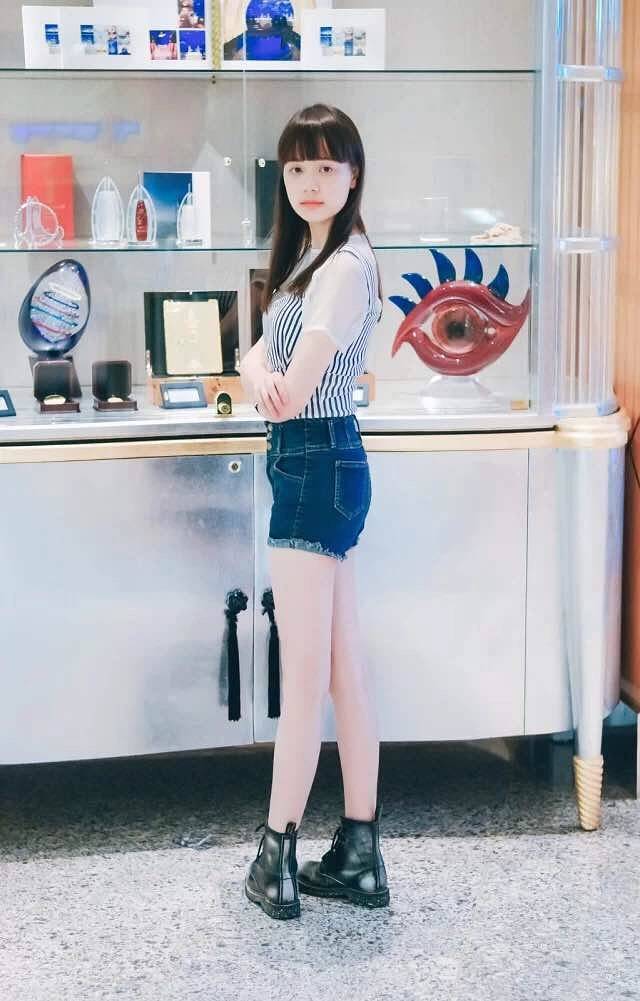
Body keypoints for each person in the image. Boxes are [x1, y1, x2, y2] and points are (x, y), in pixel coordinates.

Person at [239, 104, 389, 921]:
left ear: (353, 174)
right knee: (339, 666)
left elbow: (288, 388)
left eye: (326, 167)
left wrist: (267, 378)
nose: (309, 182)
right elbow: (255, 354)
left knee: (305, 676)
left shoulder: (341, 267)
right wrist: (261, 369)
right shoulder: (315, 254)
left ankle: (277, 855)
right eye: (296, 168)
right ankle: (359, 855)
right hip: (327, 458)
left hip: (311, 458)